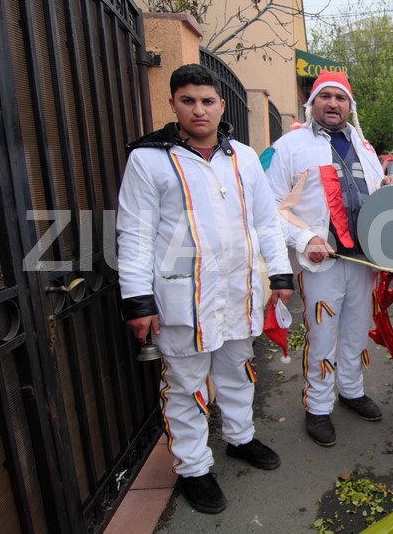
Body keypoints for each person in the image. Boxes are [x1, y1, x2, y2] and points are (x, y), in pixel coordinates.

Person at [117, 64, 294, 514]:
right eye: (189, 100)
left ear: (221, 105)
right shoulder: (149, 158)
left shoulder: (244, 158)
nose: (200, 110)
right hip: (182, 299)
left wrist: (279, 273)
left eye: (208, 101)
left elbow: (266, 222)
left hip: (239, 291)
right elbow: (135, 234)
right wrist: (137, 299)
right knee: (185, 385)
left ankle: (240, 438)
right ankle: (194, 467)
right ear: (174, 104)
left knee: (239, 370)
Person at [264, 70, 393, 447]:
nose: (333, 104)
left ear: (349, 106)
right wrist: (305, 236)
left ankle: (352, 390)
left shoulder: (365, 147)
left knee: (357, 330)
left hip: (364, 261)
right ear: (312, 104)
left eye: (340, 98)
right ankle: (319, 406)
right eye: (325, 97)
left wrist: (388, 187)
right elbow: (270, 206)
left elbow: (373, 198)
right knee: (323, 334)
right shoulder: (289, 146)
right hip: (321, 261)